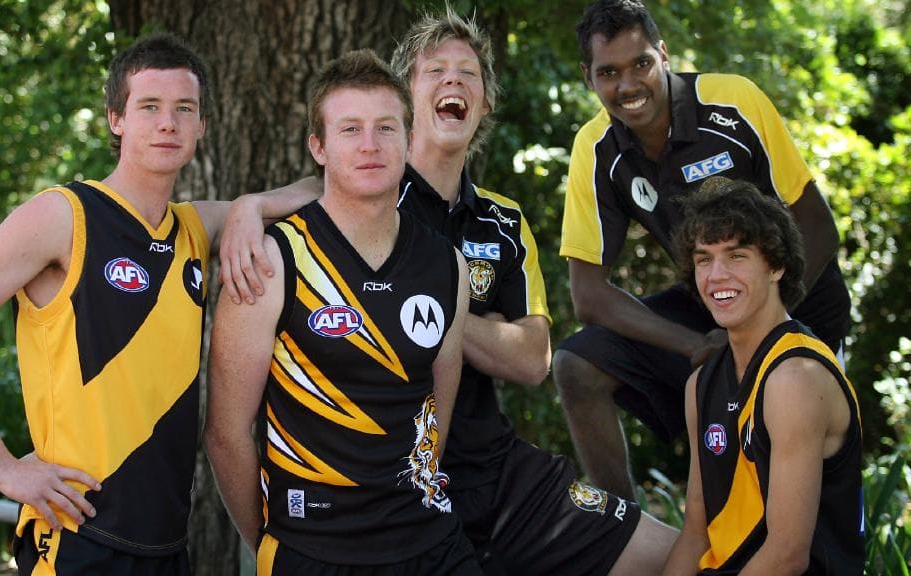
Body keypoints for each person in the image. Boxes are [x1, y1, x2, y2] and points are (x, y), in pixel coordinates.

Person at [219, 8, 678, 575]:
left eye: (468, 72)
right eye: (433, 70)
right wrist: (249, 205)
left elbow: (534, 358)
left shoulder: (502, 222)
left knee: (673, 555)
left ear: (486, 102)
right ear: (404, 100)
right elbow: (286, 203)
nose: (453, 81)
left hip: (493, 471)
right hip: (378, 499)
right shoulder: (362, 188)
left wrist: (414, 308)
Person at [0, 33, 314, 574]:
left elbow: (314, 188)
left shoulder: (192, 228)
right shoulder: (63, 216)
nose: (168, 123)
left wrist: (250, 207)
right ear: (116, 118)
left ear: (202, 126)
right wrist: (0, 468)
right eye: (150, 107)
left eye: (184, 109)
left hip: (165, 543)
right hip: (78, 536)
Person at [553, 0, 852, 499]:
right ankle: (625, 536)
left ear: (664, 55)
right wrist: (697, 345)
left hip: (801, 310)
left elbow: (819, 227)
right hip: (712, 314)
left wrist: (763, 328)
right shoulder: (596, 148)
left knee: (797, 499)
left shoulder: (733, 101)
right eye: (609, 72)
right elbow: (588, 296)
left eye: (641, 64)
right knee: (575, 365)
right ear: (589, 77)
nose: (628, 85)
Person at [204, 49, 479, 574]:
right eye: (350, 129)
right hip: (312, 549)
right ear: (319, 147)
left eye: (385, 127)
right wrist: (268, 542)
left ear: (407, 137)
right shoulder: (273, 260)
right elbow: (225, 433)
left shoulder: (447, 265)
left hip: (429, 542)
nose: (370, 145)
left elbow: (436, 415)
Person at [662, 177, 863, 575]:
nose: (716, 275)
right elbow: (696, 534)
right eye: (704, 259)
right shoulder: (700, 384)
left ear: (775, 265)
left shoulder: (796, 377)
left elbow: (787, 557)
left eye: (736, 256)